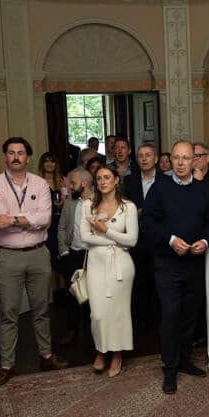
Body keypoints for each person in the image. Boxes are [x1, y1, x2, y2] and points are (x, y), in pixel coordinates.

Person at [0, 136, 69, 385]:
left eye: (20, 153)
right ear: (5, 156)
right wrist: (29, 219)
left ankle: (46, 356)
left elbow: (45, 219)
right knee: (8, 312)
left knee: (42, 309)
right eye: (11, 152)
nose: (16, 157)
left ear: (28, 157)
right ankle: (6, 364)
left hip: (38, 253)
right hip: (8, 256)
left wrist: (13, 219)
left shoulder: (40, 184)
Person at [141, 140, 209, 394]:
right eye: (176, 158)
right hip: (167, 263)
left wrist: (204, 241)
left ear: (194, 161)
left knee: (190, 315)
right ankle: (170, 367)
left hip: (194, 263)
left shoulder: (204, 190)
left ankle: (185, 359)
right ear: (171, 160)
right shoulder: (159, 187)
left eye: (186, 158)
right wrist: (171, 240)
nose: (181, 163)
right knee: (171, 315)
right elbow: (148, 222)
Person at [80, 167, 138, 378]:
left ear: (116, 180)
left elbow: (132, 240)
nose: (103, 181)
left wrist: (106, 231)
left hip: (121, 265)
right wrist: (114, 240)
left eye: (107, 177)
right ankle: (101, 350)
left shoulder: (128, 207)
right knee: (98, 313)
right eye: (99, 178)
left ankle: (117, 354)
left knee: (118, 312)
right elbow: (84, 237)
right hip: (96, 264)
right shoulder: (87, 205)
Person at [124, 144, 161, 329]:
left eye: (148, 155)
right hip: (136, 238)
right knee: (139, 281)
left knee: (158, 281)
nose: (144, 159)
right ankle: (141, 321)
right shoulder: (129, 181)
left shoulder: (165, 180)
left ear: (156, 158)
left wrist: (143, 211)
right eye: (141, 156)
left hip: (159, 238)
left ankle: (158, 320)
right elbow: (124, 207)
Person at [57, 167, 92, 345]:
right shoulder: (69, 203)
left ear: (84, 183)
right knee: (72, 295)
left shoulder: (99, 201)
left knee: (93, 294)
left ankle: (92, 331)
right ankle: (72, 330)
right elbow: (62, 228)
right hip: (72, 255)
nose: (70, 186)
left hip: (92, 256)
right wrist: (64, 252)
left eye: (73, 183)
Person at [38, 151, 66, 275]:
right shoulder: (37, 182)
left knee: (63, 255)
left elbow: (69, 200)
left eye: (52, 161)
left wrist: (63, 204)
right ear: (42, 164)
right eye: (46, 161)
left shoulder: (63, 180)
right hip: (46, 223)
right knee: (50, 256)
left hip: (62, 221)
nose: (49, 164)